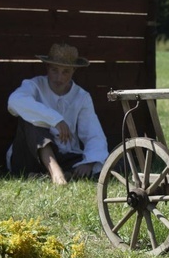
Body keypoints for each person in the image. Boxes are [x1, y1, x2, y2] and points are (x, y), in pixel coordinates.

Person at [7, 43, 108, 185]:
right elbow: (14, 101)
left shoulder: (82, 96)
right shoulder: (34, 85)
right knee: (30, 120)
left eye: (65, 71)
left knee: (113, 162)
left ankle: (52, 176)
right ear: (47, 67)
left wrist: (90, 163)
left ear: (73, 71)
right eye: (54, 70)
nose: (59, 77)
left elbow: (93, 134)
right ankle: (57, 174)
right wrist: (55, 120)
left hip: (64, 157)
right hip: (28, 158)